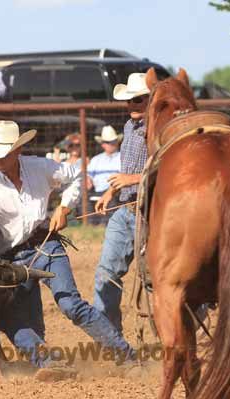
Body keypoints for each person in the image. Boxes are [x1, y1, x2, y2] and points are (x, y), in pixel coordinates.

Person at [0, 120, 136, 373]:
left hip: (45, 244)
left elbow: (75, 175)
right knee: (9, 317)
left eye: (2, 154)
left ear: (17, 150)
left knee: (70, 305)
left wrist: (64, 207)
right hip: (10, 259)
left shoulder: (38, 167)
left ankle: (126, 356)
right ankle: (48, 363)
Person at [92, 73, 150, 337]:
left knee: (154, 279)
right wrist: (110, 192)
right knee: (105, 273)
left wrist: (132, 179)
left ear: (150, 100)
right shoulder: (128, 127)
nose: (132, 105)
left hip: (150, 213)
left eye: (137, 99)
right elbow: (127, 170)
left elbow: (167, 167)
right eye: (129, 100)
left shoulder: (159, 128)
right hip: (125, 209)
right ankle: (110, 338)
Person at [87, 125, 121, 225]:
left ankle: (104, 225)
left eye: (113, 141)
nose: (111, 144)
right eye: (107, 142)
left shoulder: (123, 157)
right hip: (96, 192)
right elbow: (88, 178)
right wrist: (88, 180)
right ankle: (89, 226)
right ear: (102, 144)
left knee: (112, 202)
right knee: (84, 200)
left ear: (117, 142)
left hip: (114, 191)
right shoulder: (95, 159)